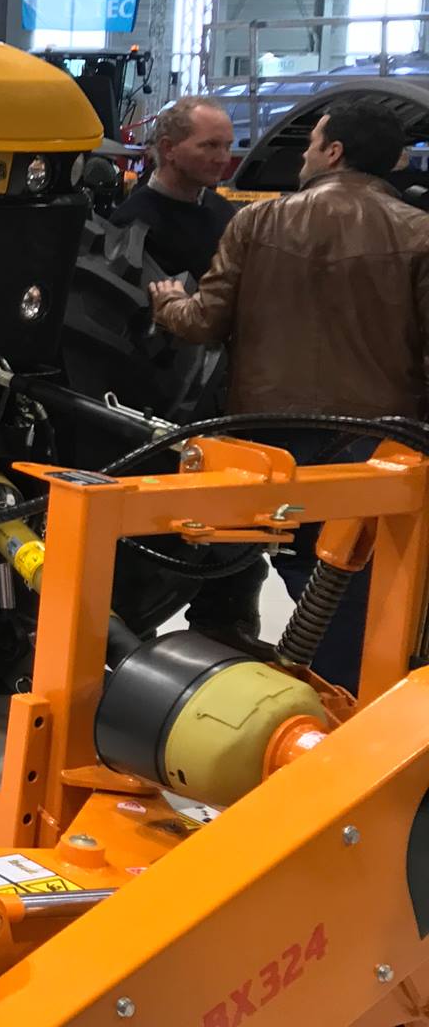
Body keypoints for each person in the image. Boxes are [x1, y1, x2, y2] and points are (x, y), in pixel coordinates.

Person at [151, 97, 429, 686]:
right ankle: (353, 707)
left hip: (266, 438)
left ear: (334, 152)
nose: (302, 155)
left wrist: (166, 302)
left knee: (300, 569)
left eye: (312, 143)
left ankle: (334, 707)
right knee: (354, 578)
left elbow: (204, 322)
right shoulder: (420, 234)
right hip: (375, 443)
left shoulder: (258, 222)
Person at [111, 98, 237, 279]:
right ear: (168, 148)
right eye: (210, 145)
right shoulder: (134, 225)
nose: (223, 159)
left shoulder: (223, 211)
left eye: (228, 146)